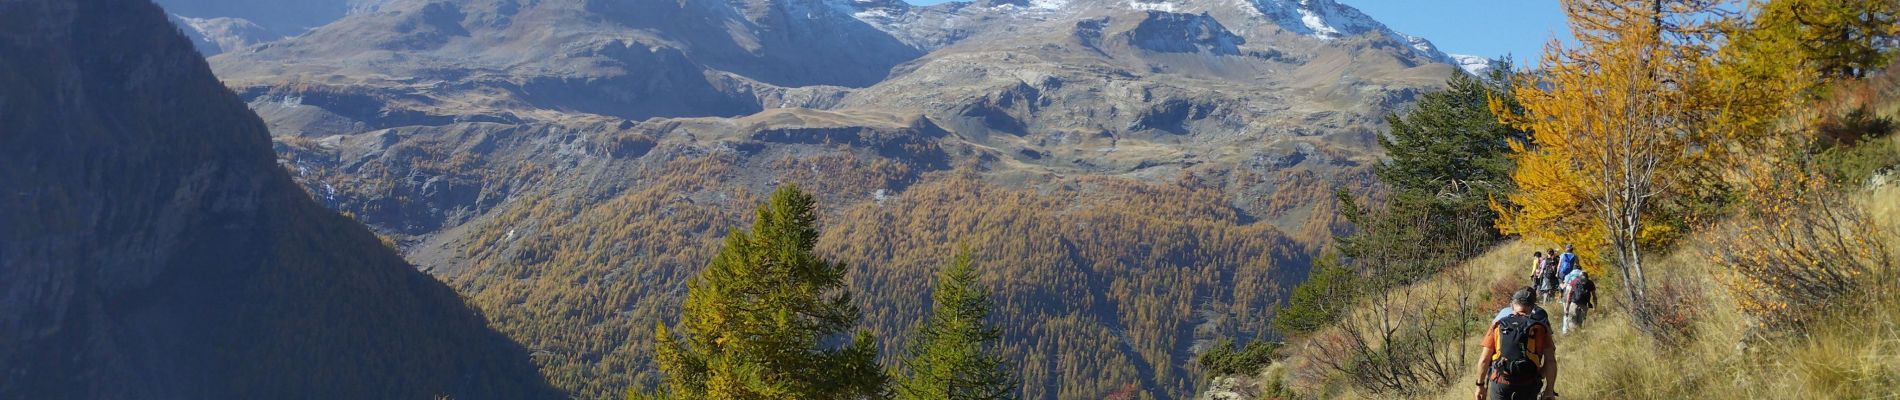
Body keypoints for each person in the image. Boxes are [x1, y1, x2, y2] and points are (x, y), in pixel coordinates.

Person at [1478, 288, 1559, 400]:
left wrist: (1480, 385)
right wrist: (1549, 389)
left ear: (1512, 305)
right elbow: (1550, 360)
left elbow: (1484, 359)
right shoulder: (1540, 328)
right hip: (1528, 384)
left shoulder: (1498, 325)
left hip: (1501, 382)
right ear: (1532, 307)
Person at [1562, 270, 1595, 335]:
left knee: (1572, 320)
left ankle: (1573, 335)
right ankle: (1579, 336)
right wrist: (1595, 307)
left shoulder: (1574, 281)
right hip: (1584, 305)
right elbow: (1594, 296)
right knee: (1581, 323)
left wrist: (1567, 307)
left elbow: (1570, 294)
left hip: (1574, 303)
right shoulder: (1590, 283)